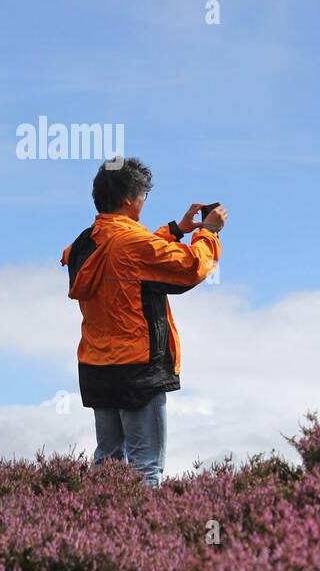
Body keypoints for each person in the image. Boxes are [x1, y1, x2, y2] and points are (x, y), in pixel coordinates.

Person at [60, 158, 227, 486]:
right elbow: (191, 267)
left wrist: (177, 230)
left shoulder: (85, 243)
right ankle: (143, 533)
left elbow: (133, 254)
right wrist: (208, 233)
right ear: (129, 200)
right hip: (138, 369)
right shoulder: (132, 244)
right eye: (143, 196)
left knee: (107, 464)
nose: (143, 202)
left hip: (96, 367)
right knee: (145, 468)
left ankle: (93, 531)